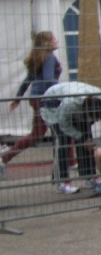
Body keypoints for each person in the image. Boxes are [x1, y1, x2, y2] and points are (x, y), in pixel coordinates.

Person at [0, 30, 62, 177]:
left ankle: (5, 158)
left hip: (35, 98)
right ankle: (69, 163)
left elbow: (27, 81)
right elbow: (48, 79)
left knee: (39, 134)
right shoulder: (50, 57)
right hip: (46, 99)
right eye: (54, 39)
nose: (56, 41)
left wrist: (18, 99)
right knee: (61, 131)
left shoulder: (38, 58)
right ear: (47, 43)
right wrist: (65, 87)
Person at [39, 81, 101, 195]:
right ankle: (62, 182)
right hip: (52, 108)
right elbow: (64, 125)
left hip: (73, 106)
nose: (93, 122)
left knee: (87, 137)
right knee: (62, 141)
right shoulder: (70, 104)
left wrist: (85, 138)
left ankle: (90, 176)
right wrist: (81, 138)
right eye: (93, 119)